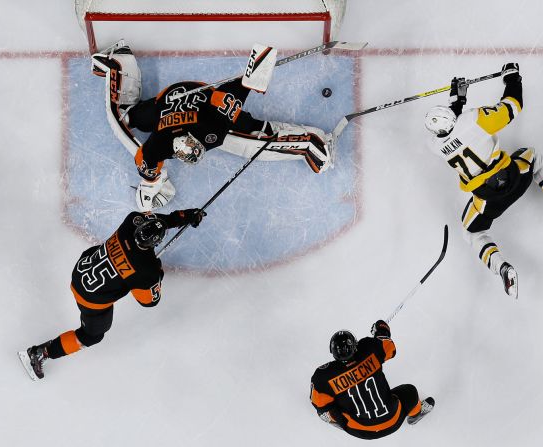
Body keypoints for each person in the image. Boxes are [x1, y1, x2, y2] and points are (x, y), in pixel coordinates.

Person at [90, 40, 334, 212]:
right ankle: (119, 64)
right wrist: (150, 186)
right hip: (172, 99)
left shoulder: (211, 132)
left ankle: (309, 144)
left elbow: (229, 95)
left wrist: (253, 77)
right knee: (128, 118)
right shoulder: (158, 145)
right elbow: (146, 163)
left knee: (250, 136)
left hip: (190, 99)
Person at [422, 62, 543, 299]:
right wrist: (512, 78)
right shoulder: (474, 120)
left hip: (487, 200)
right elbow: (513, 105)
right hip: (515, 177)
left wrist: (457, 99)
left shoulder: (434, 145)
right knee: (533, 156)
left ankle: (502, 267)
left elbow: (453, 131)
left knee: (471, 233)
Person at [18, 208, 206, 381]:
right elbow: (150, 302)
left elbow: (159, 219)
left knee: (108, 258)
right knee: (92, 336)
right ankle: (40, 352)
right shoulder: (146, 270)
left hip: (80, 272)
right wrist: (157, 273)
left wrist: (184, 216)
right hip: (90, 299)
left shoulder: (132, 220)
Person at [309, 320, 435, 440]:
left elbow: (319, 404)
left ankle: (333, 419)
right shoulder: (369, 348)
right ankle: (416, 415)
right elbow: (390, 347)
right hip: (392, 420)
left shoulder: (323, 375)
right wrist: (381, 329)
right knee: (410, 391)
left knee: (327, 409)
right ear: (355, 345)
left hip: (359, 430)